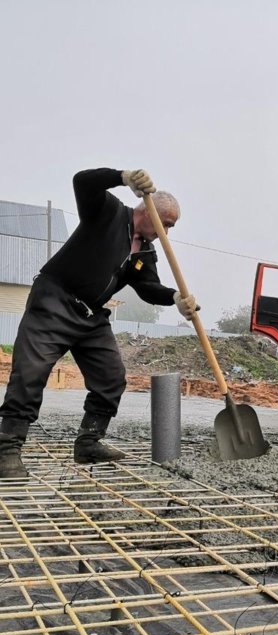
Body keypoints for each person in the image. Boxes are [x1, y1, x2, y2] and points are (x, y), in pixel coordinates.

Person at [0, 167, 198, 479]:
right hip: (54, 300)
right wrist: (123, 177)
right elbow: (82, 181)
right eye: (166, 225)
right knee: (31, 372)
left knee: (111, 376)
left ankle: (89, 442)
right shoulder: (107, 212)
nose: (166, 234)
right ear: (148, 211)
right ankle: (8, 449)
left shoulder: (145, 251)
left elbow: (148, 288)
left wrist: (174, 297)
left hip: (91, 314)